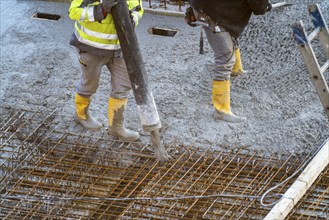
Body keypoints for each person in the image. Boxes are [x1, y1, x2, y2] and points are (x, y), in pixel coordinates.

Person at [68, 0, 143, 141]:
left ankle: (116, 127)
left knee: (123, 85)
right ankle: (81, 115)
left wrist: (131, 18)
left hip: (120, 48)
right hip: (90, 48)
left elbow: (138, 9)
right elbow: (74, 11)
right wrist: (100, 9)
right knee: (89, 84)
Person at [185, 0, 271, 123]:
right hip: (213, 12)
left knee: (230, 35)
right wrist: (265, 6)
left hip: (206, 6)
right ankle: (221, 110)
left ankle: (236, 69)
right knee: (225, 57)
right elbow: (259, 8)